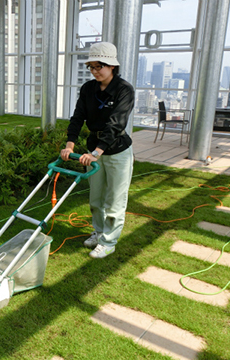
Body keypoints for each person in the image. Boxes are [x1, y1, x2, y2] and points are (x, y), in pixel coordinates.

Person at [60, 42, 134, 259]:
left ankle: (109, 242)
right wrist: (70, 144)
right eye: (91, 67)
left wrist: (96, 152)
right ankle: (99, 232)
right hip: (94, 150)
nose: (94, 71)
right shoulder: (88, 89)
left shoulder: (124, 90)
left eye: (99, 66)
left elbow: (116, 124)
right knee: (96, 198)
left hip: (117, 151)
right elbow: (77, 117)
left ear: (112, 66)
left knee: (115, 200)